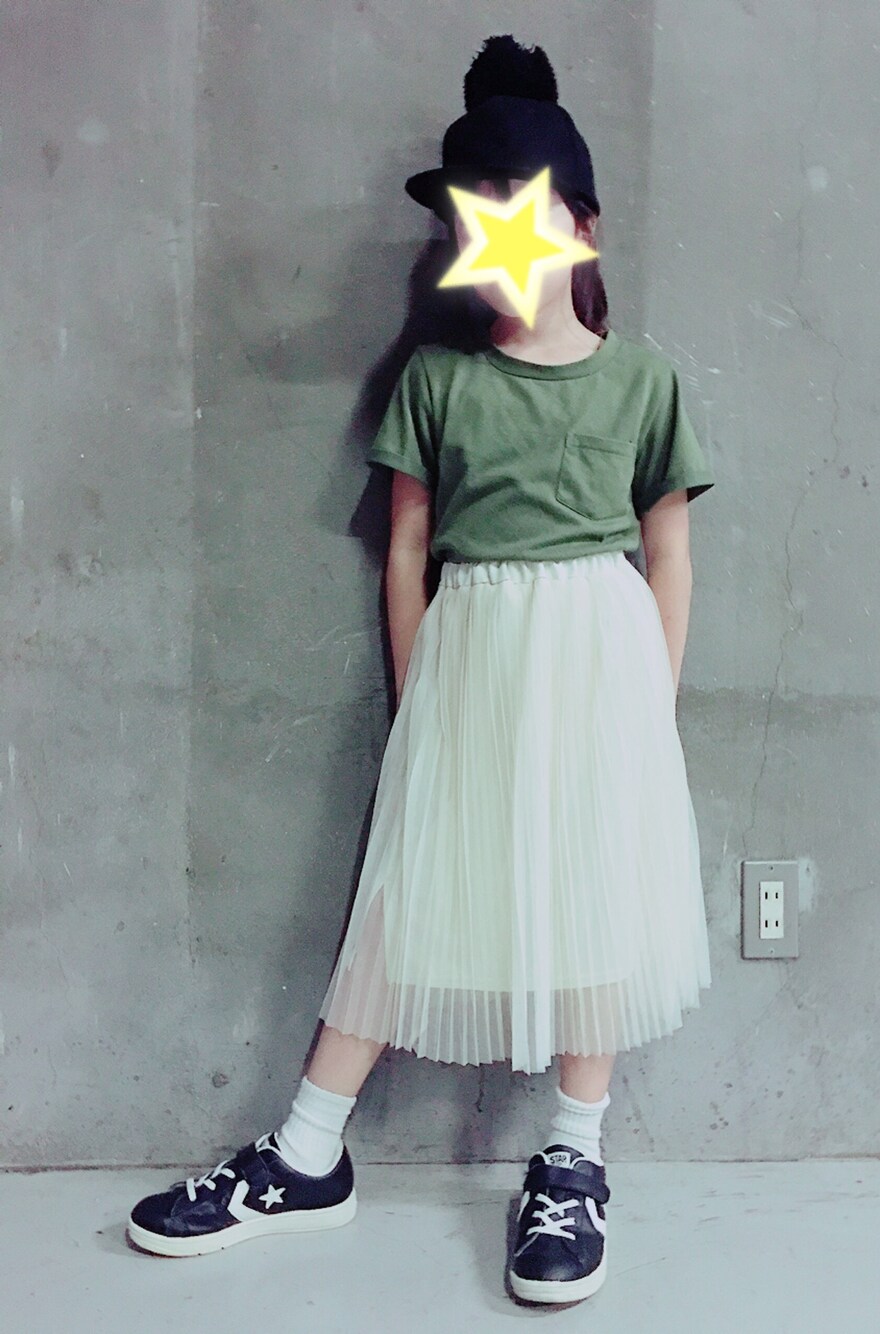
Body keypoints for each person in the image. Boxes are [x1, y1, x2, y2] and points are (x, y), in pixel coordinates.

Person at [127, 34, 715, 1306]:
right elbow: (406, 548)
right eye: (468, 226)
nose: (486, 246)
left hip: (600, 662)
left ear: (581, 226)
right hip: (472, 660)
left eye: (515, 217)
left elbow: (667, 550)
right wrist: (419, 696)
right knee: (412, 888)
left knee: (597, 895)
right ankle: (308, 1148)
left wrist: (651, 705)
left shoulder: (643, 381)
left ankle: (573, 1153)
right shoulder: (438, 379)